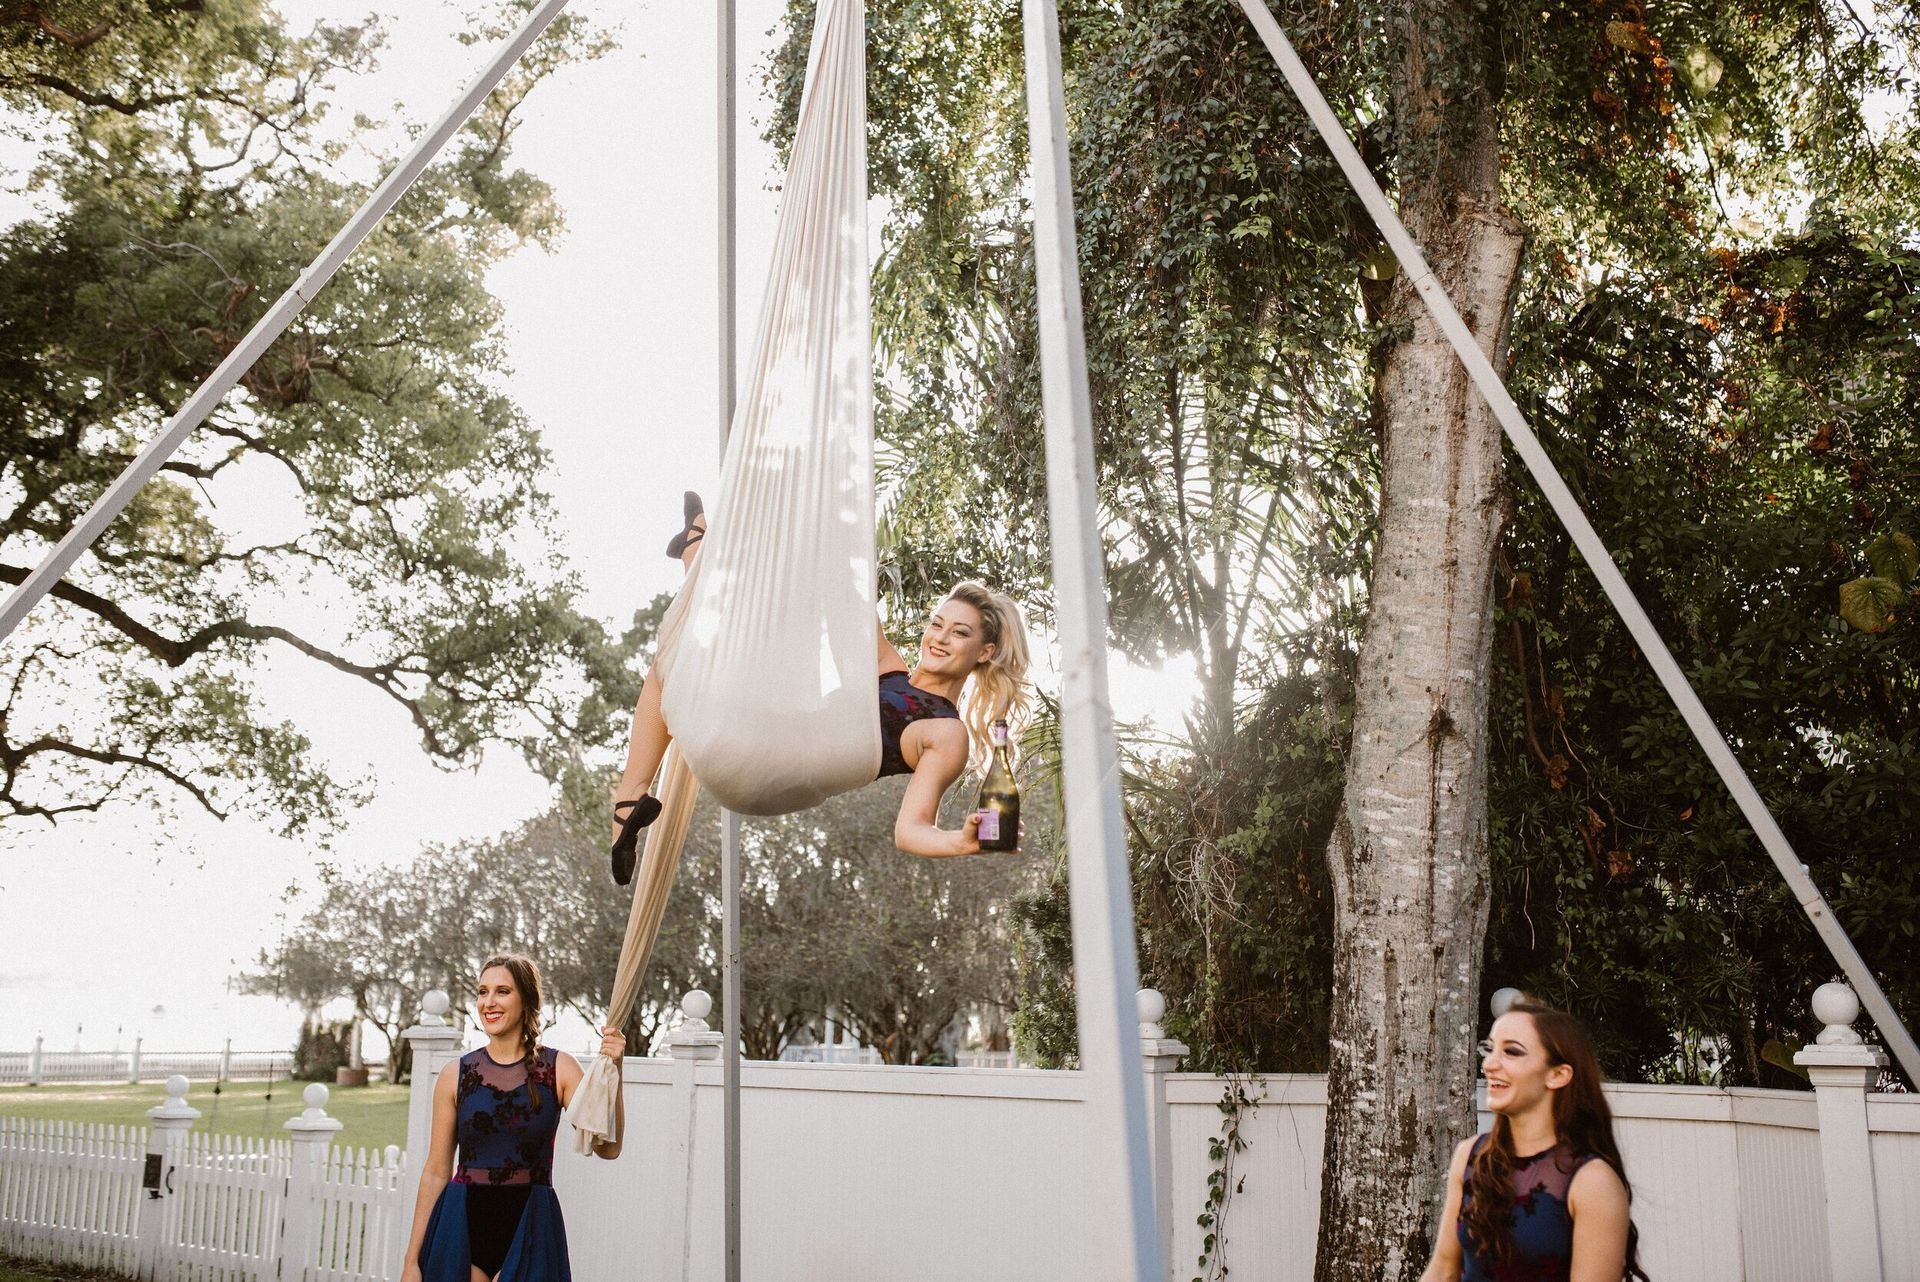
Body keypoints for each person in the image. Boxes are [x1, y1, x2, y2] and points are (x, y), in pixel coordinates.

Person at [607, 492, 1033, 883]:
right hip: (752, 740)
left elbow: (911, 831)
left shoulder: (946, 732)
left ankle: (694, 546)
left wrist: (961, 841)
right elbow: (842, 591)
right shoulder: (889, 667)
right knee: (674, 665)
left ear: (984, 651)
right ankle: (630, 803)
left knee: (680, 664)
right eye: (937, 625)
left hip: (766, 767)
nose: (939, 638)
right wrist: (817, 502)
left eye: (959, 633)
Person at [401, 954, 625, 1282]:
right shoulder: (455, 1075)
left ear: (527, 1000)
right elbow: (436, 1171)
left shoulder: (559, 1069)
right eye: (483, 991)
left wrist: (615, 1067)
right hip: (460, 1226)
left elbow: (609, 1148)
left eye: (502, 991)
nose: (489, 1002)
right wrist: (411, 1261)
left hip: (531, 1224)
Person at [1420, 999, 1649, 1282]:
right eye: (1489, 1049)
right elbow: (1443, 1271)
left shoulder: (1593, 1182)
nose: (1490, 1064)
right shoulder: (1471, 1156)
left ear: (1557, 1075)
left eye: (1512, 1052)